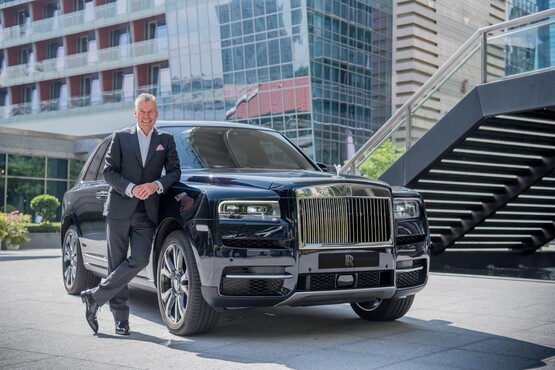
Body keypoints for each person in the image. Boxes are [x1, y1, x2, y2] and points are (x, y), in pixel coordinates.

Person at [80, 93, 181, 335]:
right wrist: (131, 188)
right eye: (142, 112)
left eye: (151, 112)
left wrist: (156, 185)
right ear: (135, 114)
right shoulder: (121, 137)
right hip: (119, 208)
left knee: (140, 259)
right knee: (116, 263)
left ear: (156, 114)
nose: (146, 116)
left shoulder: (165, 140)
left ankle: (94, 297)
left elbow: (174, 172)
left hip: (147, 212)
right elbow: (108, 172)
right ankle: (121, 320)